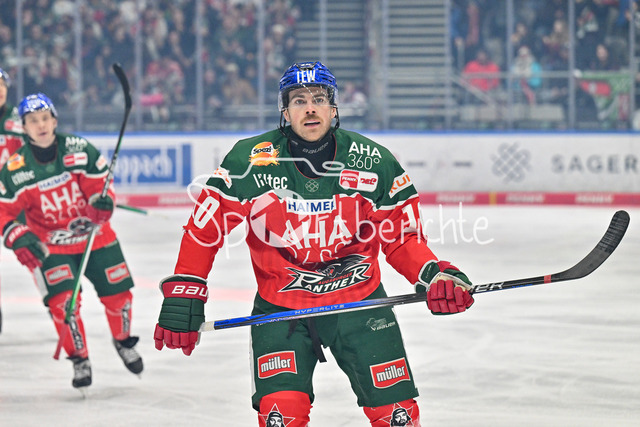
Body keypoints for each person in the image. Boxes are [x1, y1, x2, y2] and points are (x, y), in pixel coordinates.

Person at [153, 62, 475, 426]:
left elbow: (402, 238)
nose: (310, 108)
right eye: (299, 100)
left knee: (397, 417)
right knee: (282, 417)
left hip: (360, 305)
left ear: (333, 109)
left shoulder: (374, 162)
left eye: (319, 99)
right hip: (281, 308)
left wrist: (432, 274)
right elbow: (205, 230)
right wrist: (187, 288)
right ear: (285, 111)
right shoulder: (249, 160)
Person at [0, 93, 143, 391]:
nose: (40, 125)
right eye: (33, 121)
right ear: (23, 127)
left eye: (45, 118)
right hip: (51, 245)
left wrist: (101, 203)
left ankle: (122, 340)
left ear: (54, 121)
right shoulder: (15, 169)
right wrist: (17, 235)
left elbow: (101, 187)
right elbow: (4, 211)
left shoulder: (78, 148)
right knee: (63, 305)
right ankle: (80, 358)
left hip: (94, 236)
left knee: (119, 296)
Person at [0, 67, 26, 334]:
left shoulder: (20, 121)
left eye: (2, 84)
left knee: (39, 255)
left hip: (16, 203)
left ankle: (62, 308)